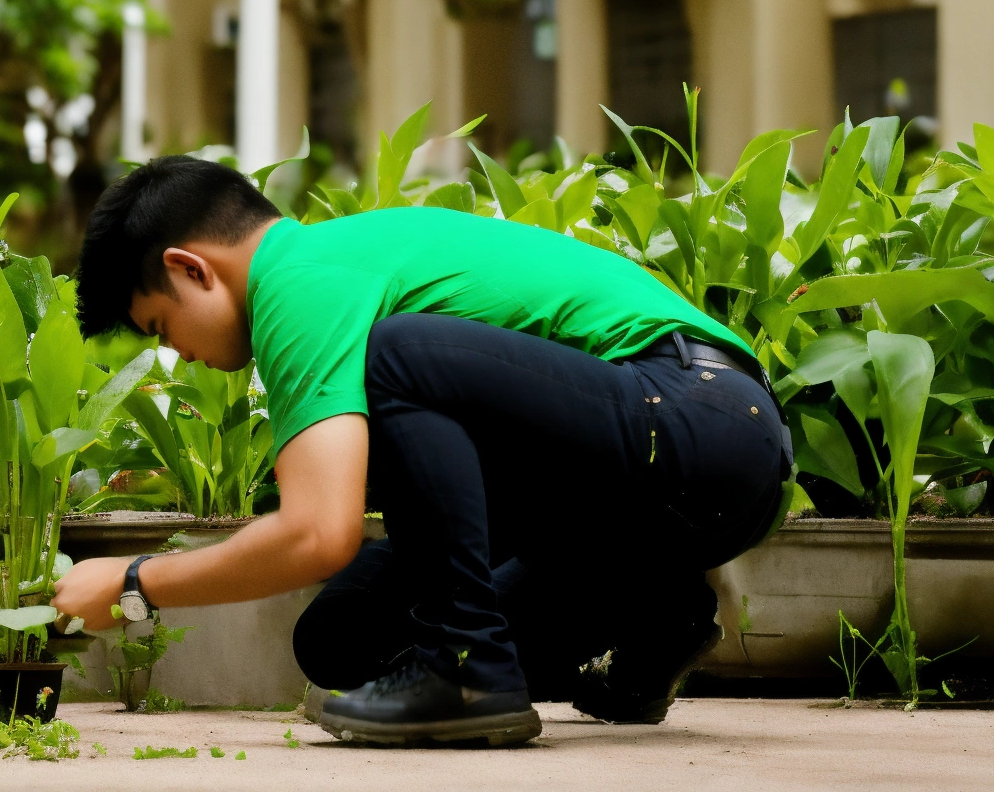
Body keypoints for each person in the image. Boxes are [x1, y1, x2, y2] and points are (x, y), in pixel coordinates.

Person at [50, 154, 793, 746]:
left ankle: (468, 671)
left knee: (393, 357)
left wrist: (133, 584)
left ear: (191, 267)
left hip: (704, 419)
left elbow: (318, 531)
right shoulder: (329, 270)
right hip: (642, 493)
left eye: (159, 327)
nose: (175, 356)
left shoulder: (297, 279)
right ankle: (658, 612)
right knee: (347, 634)